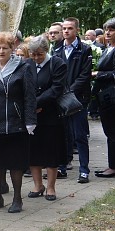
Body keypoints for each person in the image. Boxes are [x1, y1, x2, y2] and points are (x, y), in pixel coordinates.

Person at [0, 32, 37, 213]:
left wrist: (30, 120)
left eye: (5, 48)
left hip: (16, 124)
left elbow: (30, 96)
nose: (1, 51)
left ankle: (17, 199)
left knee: (15, 163)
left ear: (12, 48)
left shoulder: (23, 67)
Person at [25, 36, 67, 201]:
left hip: (51, 115)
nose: (36, 58)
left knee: (51, 152)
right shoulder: (27, 64)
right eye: (33, 54)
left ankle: (50, 187)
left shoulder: (57, 64)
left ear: (46, 50)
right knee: (33, 151)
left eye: (39, 54)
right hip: (32, 116)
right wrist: (30, 106)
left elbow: (57, 88)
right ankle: (37, 185)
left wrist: (37, 102)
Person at [53, 17, 92, 183]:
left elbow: (85, 74)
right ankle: (62, 166)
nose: (66, 31)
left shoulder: (84, 50)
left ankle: (84, 170)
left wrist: (71, 91)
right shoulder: (57, 49)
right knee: (63, 134)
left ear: (76, 30)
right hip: (62, 99)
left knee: (79, 135)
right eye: (64, 28)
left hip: (78, 99)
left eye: (70, 28)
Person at [92, 19, 115, 179]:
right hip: (105, 96)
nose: (107, 32)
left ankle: (113, 167)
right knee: (109, 132)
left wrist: (97, 74)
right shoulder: (108, 48)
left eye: (112, 30)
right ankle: (111, 165)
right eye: (106, 29)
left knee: (112, 132)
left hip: (112, 97)